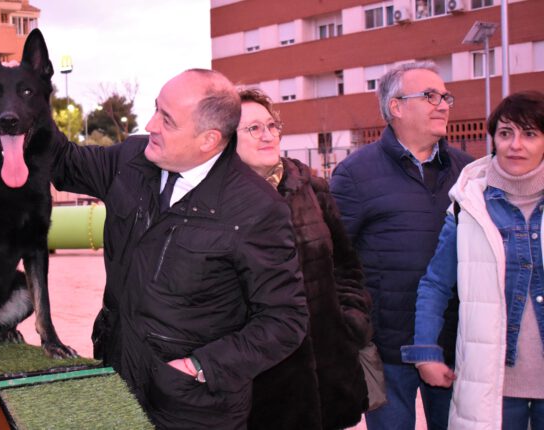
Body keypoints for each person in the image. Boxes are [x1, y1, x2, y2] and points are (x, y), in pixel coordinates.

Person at [49, 69, 308, 429]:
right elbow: (62, 161)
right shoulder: (130, 161)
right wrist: (27, 92)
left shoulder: (257, 210)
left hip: (193, 406)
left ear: (208, 140)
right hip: (115, 378)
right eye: (156, 109)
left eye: (166, 119)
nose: (150, 124)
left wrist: (202, 367)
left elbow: (285, 320)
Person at [329, 61, 474, 430]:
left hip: (454, 343)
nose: (442, 104)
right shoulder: (355, 174)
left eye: (445, 96)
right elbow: (335, 260)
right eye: (429, 96)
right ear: (396, 107)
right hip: (386, 349)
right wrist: (354, 328)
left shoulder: (469, 173)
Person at [401, 91, 544, 429]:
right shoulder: (468, 204)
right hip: (492, 386)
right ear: (493, 138)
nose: (516, 145)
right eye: (506, 133)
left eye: (530, 134)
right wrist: (425, 350)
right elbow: (436, 284)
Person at [236, 88, 372, 429]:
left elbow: (346, 265)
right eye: (253, 128)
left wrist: (350, 321)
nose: (268, 135)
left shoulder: (312, 188)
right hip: (261, 383)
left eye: (271, 125)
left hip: (329, 370)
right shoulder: (216, 201)